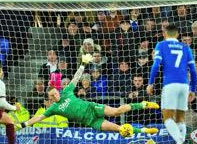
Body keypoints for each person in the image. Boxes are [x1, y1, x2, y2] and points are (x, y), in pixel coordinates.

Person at [15, 54, 160, 136]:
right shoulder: (54, 108)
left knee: (117, 111)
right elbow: (38, 117)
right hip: (90, 121)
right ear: (50, 98)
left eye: (55, 93)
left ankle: (144, 104)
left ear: (58, 91)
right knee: (119, 128)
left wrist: (83, 64)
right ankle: (144, 130)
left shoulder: (65, 92)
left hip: (92, 108)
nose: (55, 96)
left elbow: (76, 78)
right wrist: (23, 125)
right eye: (52, 96)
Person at [146, 24, 197, 144]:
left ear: (164, 34)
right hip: (184, 85)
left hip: (170, 84)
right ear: (177, 35)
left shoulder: (161, 45)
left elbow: (156, 64)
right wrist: (193, 89)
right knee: (180, 118)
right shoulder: (186, 48)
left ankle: (180, 141)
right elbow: (193, 71)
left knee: (167, 118)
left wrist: (150, 83)